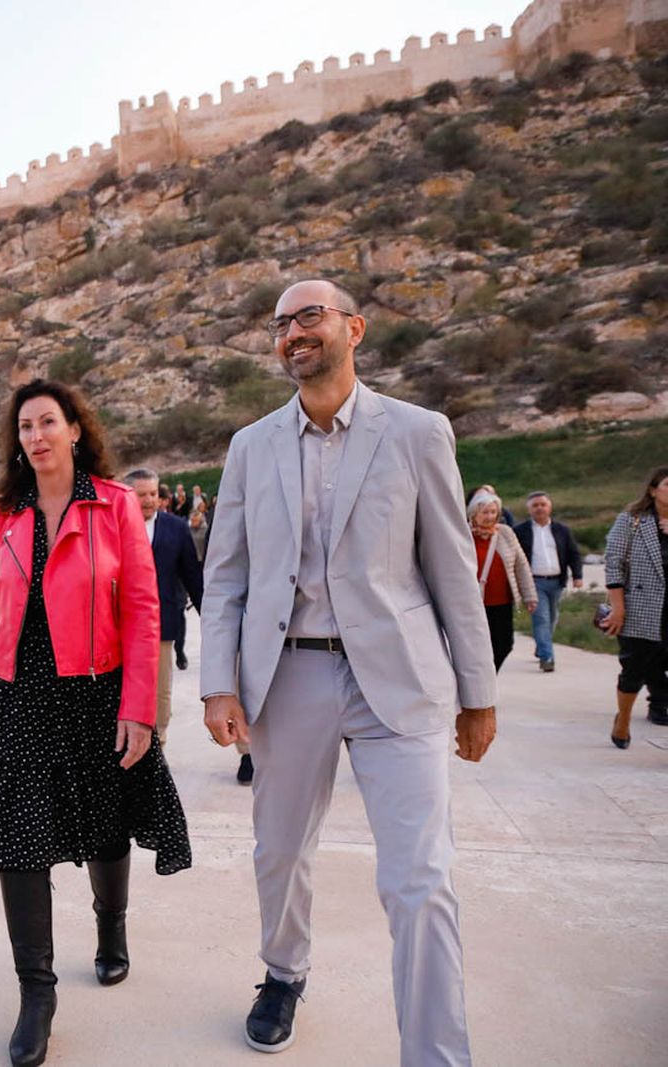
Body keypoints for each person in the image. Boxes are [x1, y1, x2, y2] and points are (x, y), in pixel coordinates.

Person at [201, 280, 497, 1064]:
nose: (293, 332)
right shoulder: (251, 446)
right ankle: (283, 971)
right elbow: (225, 576)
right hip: (288, 675)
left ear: (353, 329)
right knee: (280, 848)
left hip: (397, 678)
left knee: (421, 876)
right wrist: (218, 684)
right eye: (280, 324)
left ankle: (436, 1053)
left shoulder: (417, 432)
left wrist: (479, 693)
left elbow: (451, 569)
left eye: (310, 316)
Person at [0, 380, 190, 1067]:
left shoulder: (113, 504)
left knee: (103, 823)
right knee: (18, 840)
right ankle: (37, 991)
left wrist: (139, 705)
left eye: (48, 422)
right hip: (16, 694)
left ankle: (110, 922)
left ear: (75, 430)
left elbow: (145, 608)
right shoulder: (5, 512)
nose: (36, 436)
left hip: (95, 690)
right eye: (24, 426)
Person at [128, 468, 204, 749]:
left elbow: (192, 576)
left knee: (160, 689)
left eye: (153, 494)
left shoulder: (175, 527)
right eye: (141, 495)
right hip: (121, 626)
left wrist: (212, 616)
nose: (149, 500)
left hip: (162, 622)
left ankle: (158, 743)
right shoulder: (114, 526)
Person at [600, 465, 668, 749]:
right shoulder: (631, 521)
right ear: (653, 490)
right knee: (634, 669)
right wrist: (618, 608)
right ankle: (624, 718)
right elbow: (613, 563)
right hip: (641, 606)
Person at [513, 492, 585, 672]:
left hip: (557, 581)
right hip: (534, 582)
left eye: (542, 504)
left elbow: (573, 553)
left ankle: (541, 645)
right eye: (535, 505)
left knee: (552, 618)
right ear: (529, 509)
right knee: (542, 618)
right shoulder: (520, 531)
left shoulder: (562, 530)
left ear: (549, 507)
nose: (539, 508)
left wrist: (577, 575)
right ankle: (547, 657)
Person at [468, 490, 536, 673]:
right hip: (473, 603)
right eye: (485, 512)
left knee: (504, 644)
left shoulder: (505, 533)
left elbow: (521, 565)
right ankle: (479, 689)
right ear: (474, 513)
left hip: (501, 601)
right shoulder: (464, 535)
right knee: (477, 647)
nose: (490, 517)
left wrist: (530, 596)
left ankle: (487, 679)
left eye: (493, 512)